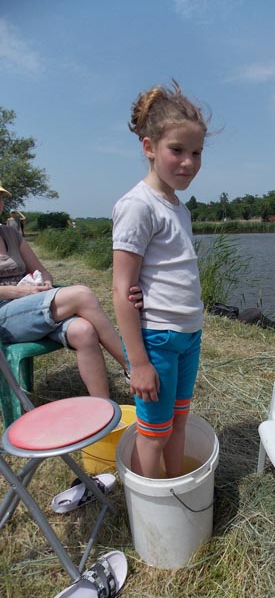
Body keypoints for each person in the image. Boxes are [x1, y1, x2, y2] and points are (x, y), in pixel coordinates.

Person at [112, 80, 208, 478]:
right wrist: (138, 364)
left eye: (197, 153)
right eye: (177, 150)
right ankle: (149, 507)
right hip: (158, 340)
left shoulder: (177, 206)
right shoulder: (138, 206)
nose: (188, 162)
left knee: (178, 424)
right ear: (149, 147)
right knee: (153, 433)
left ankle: (175, 486)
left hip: (189, 335)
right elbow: (121, 289)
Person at [0, 183, 141, 399]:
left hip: (30, 306)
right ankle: (133, 367)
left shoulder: (11, 233)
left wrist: (44, 284)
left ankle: (102, 411)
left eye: (0, 196)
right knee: (82, 295)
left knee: (84, 331)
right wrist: (23, 293)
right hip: (5, 318)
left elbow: (43, 271)